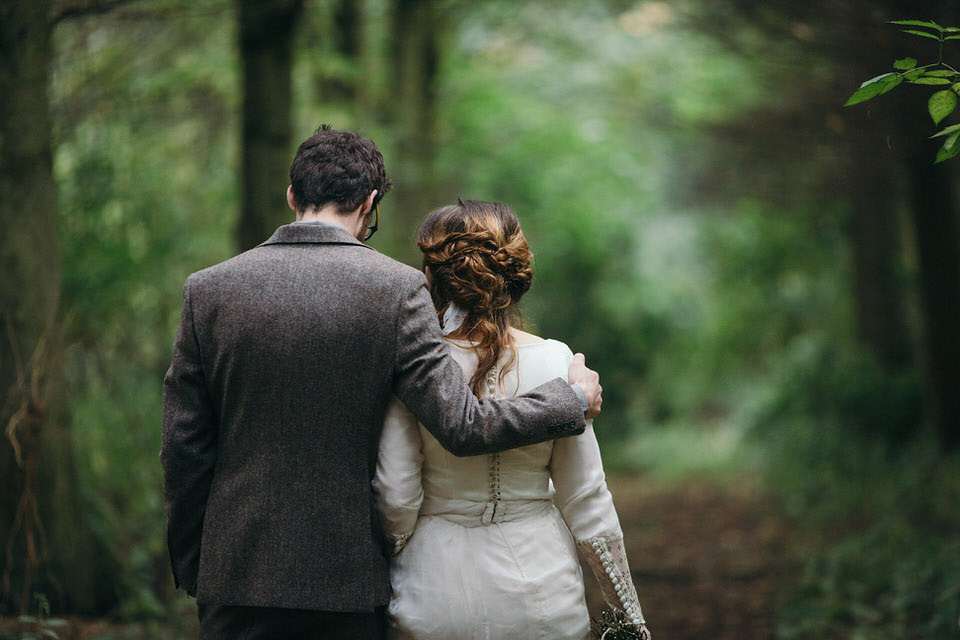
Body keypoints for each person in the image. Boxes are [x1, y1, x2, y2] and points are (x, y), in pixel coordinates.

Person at [160, 126, 603, 640]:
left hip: (235, 575)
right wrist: (569, 399)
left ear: (291, 196)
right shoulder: (397, 290)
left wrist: (199, 565)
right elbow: (461, 424)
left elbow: (184, 450)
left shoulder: (208, 290)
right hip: (346, 579)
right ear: (370, 203)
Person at [374, 199, 650, 640]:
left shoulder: (415, 367)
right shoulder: (558, 360)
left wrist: (394, 559)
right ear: (517, 275)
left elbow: (396, 495)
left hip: (436, 591)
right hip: (543, 593)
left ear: (432, 275)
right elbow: (587, 499)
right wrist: (631, 617)